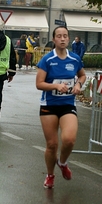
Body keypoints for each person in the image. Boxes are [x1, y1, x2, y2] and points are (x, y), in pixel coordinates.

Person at [36, 26, 87, 189]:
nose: (63, 39)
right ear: (54, 39)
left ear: (69, 38)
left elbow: (83, 75)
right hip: (49, 106)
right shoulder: (47, 60)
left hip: (67, 105)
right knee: (52, 145)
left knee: (69, 140)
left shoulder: (74, 58)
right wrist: (56, 87)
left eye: (65, 36)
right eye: (59, 36)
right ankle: (50, 174)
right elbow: (39, 84)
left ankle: (63, 162)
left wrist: (78, 85)